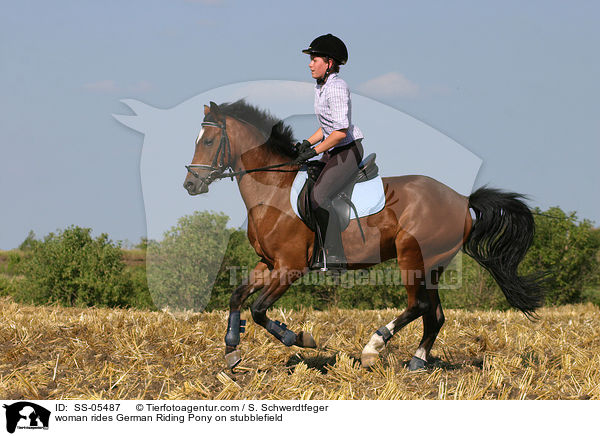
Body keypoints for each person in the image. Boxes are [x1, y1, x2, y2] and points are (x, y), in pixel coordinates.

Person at [296, 34, 364, 271]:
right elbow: (326, 126)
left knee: (319, 197)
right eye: (311, 59)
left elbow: (339, 131)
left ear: (330, 63)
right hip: (334, 149)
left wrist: (313, 151)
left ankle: (334, 256)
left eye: (315, 59)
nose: (310, 63)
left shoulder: (336, 88)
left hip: (346, 150)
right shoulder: (321, 87)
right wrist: (306, 143)